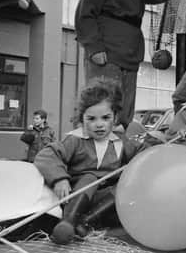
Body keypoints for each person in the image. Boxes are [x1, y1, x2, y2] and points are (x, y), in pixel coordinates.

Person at [75, 0, 173, 129]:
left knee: (124, 114)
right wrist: (94, 47)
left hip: (130, 53)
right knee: (102, 109)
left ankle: (117, 159)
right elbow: (85, 11)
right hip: (106, 53)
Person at [33, 79, 150, 244]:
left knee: (125, 186)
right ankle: (68, 221)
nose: (99, 124)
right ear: (82, 119)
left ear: (115, 118)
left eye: (105, 118)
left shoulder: (121, 142)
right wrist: (59, 179)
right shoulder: (76, 140)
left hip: (106, 202)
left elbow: (145, 152)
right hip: (78, 196)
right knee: (90, 177)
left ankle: (86, 223)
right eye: (91, 119)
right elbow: (46, 155)